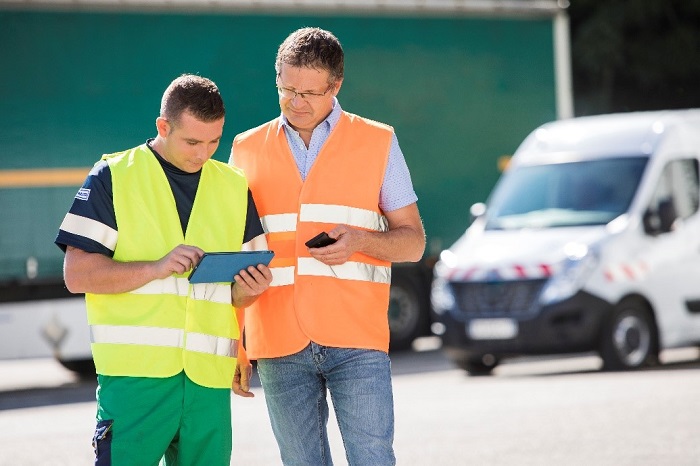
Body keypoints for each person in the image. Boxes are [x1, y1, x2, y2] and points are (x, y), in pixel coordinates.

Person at [230, 27, 426, 465]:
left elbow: (412, 242)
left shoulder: (378, 141)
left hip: (356, 337)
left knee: (372, 459)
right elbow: (234, 252)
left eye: (309, 93)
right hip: (278, 343)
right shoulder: (245, 149)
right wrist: (236, 346)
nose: (296, 102)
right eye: (286, 89)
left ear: (335, 87)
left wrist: (359, 240)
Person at [55, 74, 272, 466]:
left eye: (213, 142)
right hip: (135, 381)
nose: (202, 153)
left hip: (207, 383)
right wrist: (156, 268)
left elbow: (240, 290)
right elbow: (77, 273)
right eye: (192, 141)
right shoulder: (113, 176)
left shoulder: (234, 185)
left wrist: (252, 289)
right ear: (163, 126)